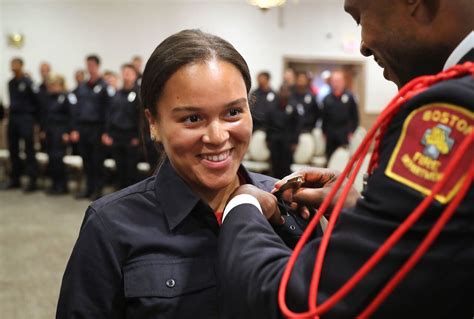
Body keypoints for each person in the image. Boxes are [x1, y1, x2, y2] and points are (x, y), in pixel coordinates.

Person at [217, 1, 473, 318]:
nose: (363, 45)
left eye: (359, 16)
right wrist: (360, 208)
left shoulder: (454, 108)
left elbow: (302, 301)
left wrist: (241, 205)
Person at [56, 29, 309, 318]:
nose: (216, 136)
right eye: (192, 118)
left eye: (232, 113)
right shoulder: (111, 226)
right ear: (154, 123)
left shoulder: (289, 204)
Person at [70, 54, 109, 200]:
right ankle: (89, 188)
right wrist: (75, 128)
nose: (89, 67)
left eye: (92, 65)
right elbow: (76, 110)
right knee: (86, 160)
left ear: (97, 66)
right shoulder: (82, 87)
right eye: (88, 65)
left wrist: (106, 131)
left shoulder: (104, 86)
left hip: (97, 128)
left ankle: (98, 190)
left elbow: (107, 111)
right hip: (83, 128)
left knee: (96, 160)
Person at [102, 64, 140, 189]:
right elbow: (109, 114)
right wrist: (107, 133)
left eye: (129, 73)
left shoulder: (139, 93)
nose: (126, 75)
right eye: (124, 73)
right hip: (116, 136)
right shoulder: (116, 94)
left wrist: (138, 136)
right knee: (119, 167)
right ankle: (120, 193)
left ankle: (132, 195)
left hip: (131, 136)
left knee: (130, 168)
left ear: (135, 75)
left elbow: (141, 117)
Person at [4, 57, 39, 192]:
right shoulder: (11, 82)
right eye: (11, 64)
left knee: (29, 149)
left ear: (21, 65)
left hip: (26, 118)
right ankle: (15, 178)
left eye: (15, 64)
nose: (13, 66)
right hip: (13, 118)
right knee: (13, 149)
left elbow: (36, 102)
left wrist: (35, 120)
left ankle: (32, 181)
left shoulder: (28, 82)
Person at [39, 74, 75, 194]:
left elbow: (71, 116)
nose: (52, 87)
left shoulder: (66, 97)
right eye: (50, 85)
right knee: (52, 159)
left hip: (60, 131)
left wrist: (67, 132)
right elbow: (45, 115)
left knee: (58, 159)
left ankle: (62, 186)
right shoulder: (48, 97)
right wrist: (43, 130)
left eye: (54, 85)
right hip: (50, 130)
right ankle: (54, 184)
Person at [265, 85, 302, 179]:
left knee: (286, 167)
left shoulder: (294, 106)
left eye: (286, 91)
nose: (284, 94)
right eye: (282, 91)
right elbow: (268, 124)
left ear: (289, 93)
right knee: (275, 166)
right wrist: (268, 139)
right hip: (275, 139)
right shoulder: (272, 106)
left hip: (288, 141)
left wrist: (295, 141)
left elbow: (297, 125)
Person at [322, 70, 359, 160]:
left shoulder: (349, 97)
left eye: (338, 81)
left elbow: (355, 116)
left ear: (343, 82)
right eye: (334, 81)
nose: (336, 84)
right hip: (330, 133)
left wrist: (352, 131)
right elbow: (323, 117)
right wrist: (324, 132)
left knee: (343, 158)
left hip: (344, 133)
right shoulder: (327, 98)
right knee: (330, 158)